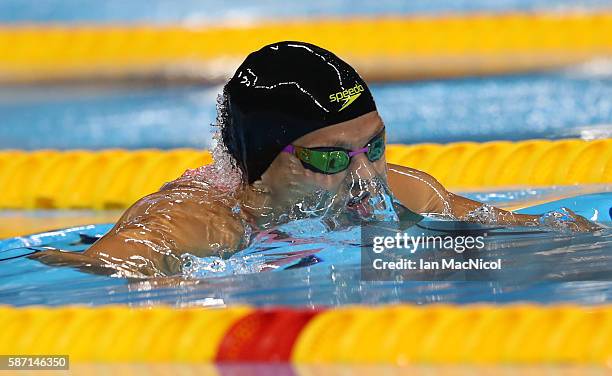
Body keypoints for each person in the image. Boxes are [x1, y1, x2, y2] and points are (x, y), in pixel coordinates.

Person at [32, 41, 598, 277]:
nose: (364, 177)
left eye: (373, 147)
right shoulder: (203, 224)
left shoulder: (406, 196)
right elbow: (90, 272)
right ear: (257, 164)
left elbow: (541, 234)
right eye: (329, 159)